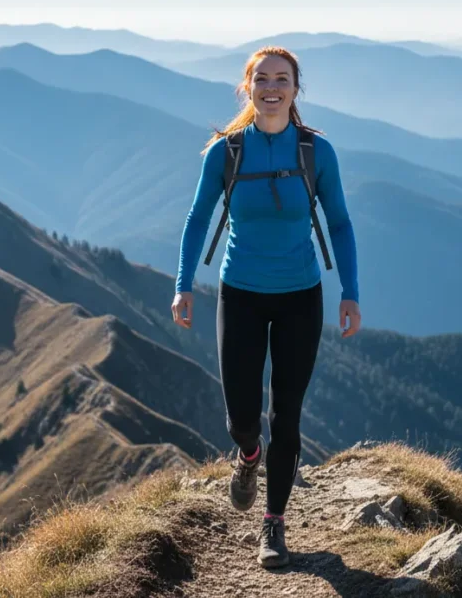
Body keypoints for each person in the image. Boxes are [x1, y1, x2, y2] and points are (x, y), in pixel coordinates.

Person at [170, 45, 361, 569]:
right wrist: (183, 285)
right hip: (241, 294)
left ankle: (273, 525)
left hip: (302, 296)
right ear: (247, 88)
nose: (272, 88)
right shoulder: (225, 153)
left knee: (288, 415)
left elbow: (340, 224)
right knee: (241, 416)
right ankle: (247, 454)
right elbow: (195, 220)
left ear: (296, 90)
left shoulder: (316, 153)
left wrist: (350, 292)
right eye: (262, 79)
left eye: (283, 79)